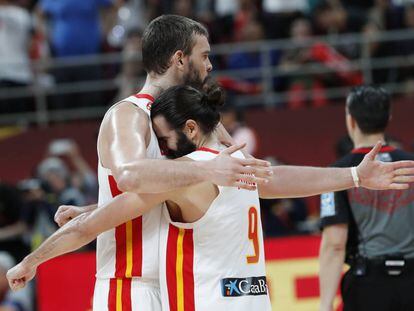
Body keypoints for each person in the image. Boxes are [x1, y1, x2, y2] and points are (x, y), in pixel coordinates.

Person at [7, 85, 414, 309]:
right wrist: (354, 176)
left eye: (165, 139)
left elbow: (91, 229)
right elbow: (286, 179)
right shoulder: (238, 164)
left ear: (188, 128)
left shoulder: (188, 173)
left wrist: (32, 259)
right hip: (254, 297)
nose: (162, 150)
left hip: (209, 301)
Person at [30, 14, 273, 311]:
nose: (210, 65)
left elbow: (162, 194)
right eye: (204, 55)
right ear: (179, 59)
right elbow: (130, 177)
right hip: (131, 286)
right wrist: (206, 168)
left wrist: (96, 206)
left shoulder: (191, 119)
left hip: (179, 285)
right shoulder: (128, 114)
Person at [319, 85, 414, 311]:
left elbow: (334, 244)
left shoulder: (336, 173)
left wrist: (325, 305)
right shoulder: (411, 163)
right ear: (388, 117)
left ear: (350, 120)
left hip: (369, 285)